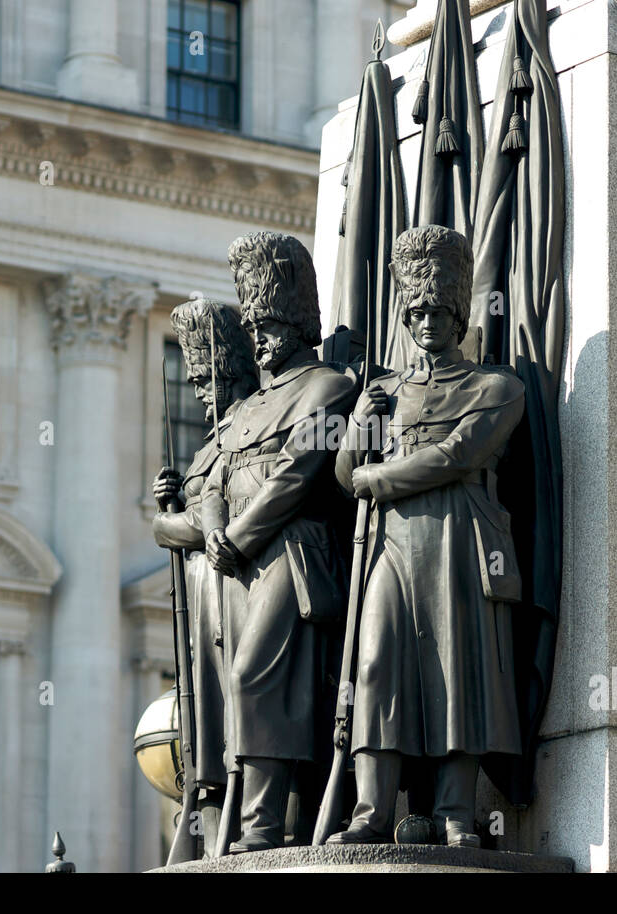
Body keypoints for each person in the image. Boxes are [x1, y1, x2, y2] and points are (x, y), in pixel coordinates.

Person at [328, 225, 526, 848]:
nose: (427, 321)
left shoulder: (496, 388)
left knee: (457, 669)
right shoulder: (385, 392)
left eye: (439, 310)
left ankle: (455, 812)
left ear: (459, 312)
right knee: (377, 662)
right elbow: (341, 474)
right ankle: (371, 811)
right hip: (390, 547)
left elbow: (455, 457)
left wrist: (375, 476)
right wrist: (363, 420)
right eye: (416, 311)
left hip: (460, 543)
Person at [201, 231, 356, 853]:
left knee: (253, 676)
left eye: (269, 324)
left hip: (292, 552)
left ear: (296, 322)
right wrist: (215, 530)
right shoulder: (242, 410)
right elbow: (212, 478)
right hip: (233, 561)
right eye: (253, 325)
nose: (259, 339)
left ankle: (264, 822)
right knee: (234, 686)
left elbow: (296, 474)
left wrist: (236, 534)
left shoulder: (328, 386)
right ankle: (249, 815)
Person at [151, 298, 259, 853]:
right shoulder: (206, 446)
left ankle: (251, 825)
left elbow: (206, 518)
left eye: (209, 377)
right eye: (194, 379)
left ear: (237, 370)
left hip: (233, 586)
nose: (200, 391)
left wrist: (166, 521)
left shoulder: (250, 427)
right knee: (207, 727)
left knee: (239, 714)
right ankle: (211, 833)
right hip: (202, 595)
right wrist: (173, 505)